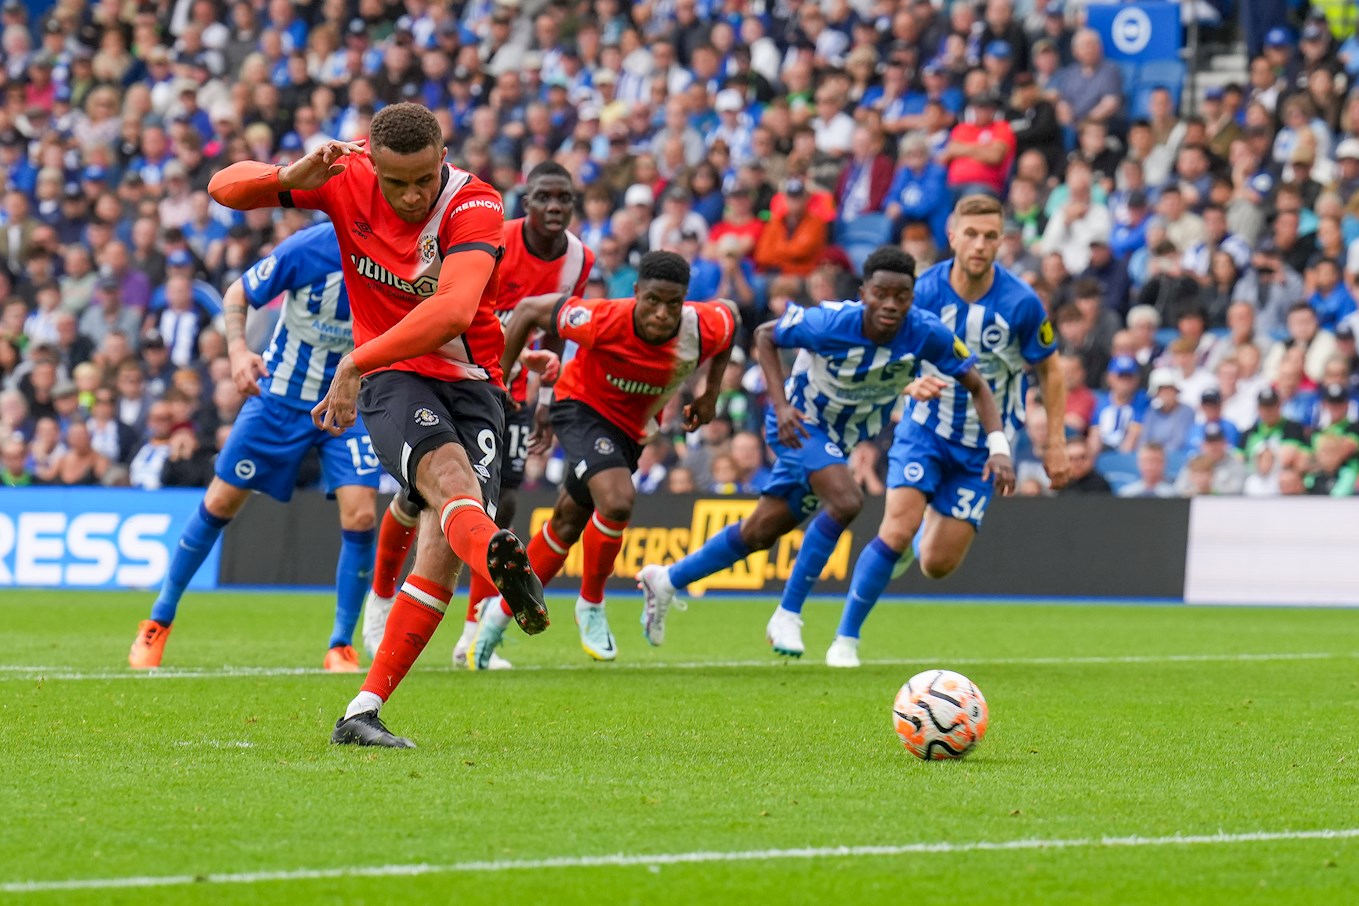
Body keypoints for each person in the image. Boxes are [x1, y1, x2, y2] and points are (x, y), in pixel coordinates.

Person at [208, 103, 548, 749]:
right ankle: (501, 563)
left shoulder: (474, 203)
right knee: (452, 488)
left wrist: (353, 362)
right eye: (400, 184)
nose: (415, 194)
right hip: (393, 372)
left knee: (445, 538)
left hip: (472, 383)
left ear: (442, 157)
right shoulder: (343, 172)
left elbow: (453, 310)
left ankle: (361, 711)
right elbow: (223, 188)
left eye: (427, 177)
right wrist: (290, 173)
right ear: (375, 165)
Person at [636, 246, 1006, 662]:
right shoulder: (830, 321)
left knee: (762, 530)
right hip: (799, 424)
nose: (889, 304)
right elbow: (764, 335)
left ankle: (665, 579)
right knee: (847, 500)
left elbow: (977, 385)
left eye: (900, 296)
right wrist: (779, 406)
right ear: (864, 291)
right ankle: (788, 614)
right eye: (880, 293)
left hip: (841, 438)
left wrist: (999, 446)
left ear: (912, 297)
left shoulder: (926, 333)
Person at [360, 161, 594, 671]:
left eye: (564, 199)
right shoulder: (490, 232)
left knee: (496, 502)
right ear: (524, 202)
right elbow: (462, 304)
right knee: (420, 495)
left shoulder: (579, 258)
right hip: (455, 373)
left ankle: (471, 635)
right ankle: (379, 599)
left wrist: (543, 398)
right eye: (543, 198)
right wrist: (500, 380)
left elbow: (552, 326)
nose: (555, 208)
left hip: (502, 383)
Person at [827, 194, 1067, 667]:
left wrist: (1054, 441)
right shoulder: (925, 290)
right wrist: (908, 382)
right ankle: (845, 640)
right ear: (953, 236)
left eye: (990, 236)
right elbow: (889, 350)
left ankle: (908, 544)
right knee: (895, 527)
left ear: (1002, 241)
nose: (980, 245)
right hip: (926, 428)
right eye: (971, 234)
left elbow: (1052, 371)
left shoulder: (1021, 303)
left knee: (936, 564)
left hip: (986, 448)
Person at [127, 224, 381, 672]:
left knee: (361, 513)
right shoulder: (308, 248)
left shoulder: (402, 249)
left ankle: (340, 643)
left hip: (348, 402)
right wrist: (239, 351)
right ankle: (158, 621)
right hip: (280, 397)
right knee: (221, 501)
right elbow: (236, 293)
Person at [487, 251, 736, 667]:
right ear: (636, 293)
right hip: (580, 408)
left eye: (673, 304)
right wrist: (500, 381)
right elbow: (530, 310)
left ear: (685, 301)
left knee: (567, 523)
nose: (662, 313)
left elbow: (732, 320)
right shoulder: (602, 318)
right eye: (652, 300)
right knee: (618, 500)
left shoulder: (701, 326)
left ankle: (492, 625)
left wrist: (710, 394)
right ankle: (591, 604)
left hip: (632, 432)